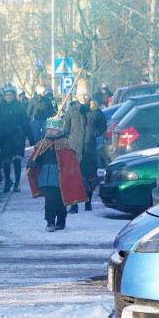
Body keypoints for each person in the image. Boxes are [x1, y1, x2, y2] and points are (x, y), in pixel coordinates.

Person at [27, 117, 87, 231]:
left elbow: (71, 162)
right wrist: (32, 163)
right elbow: (37, 158)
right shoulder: (42, 144)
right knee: (49, 201)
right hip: (46, 179)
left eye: (53, 129)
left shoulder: (65, 145)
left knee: (61, 202)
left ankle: (61, 221)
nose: (50, 131)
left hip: (61, 180)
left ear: (60, 131)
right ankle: (50, 222)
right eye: (48, 129)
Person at [63, 79, 106, 213]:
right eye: (81, 95)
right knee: (74, 178)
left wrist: (94, 133)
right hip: (74, 150)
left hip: (89, 150)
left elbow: (103, 127)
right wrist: (66, 141)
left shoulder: (96, 111)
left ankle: (88, 202)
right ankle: (74, 205)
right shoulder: (71, 110)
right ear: (77, 96)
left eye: (86, 95)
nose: (83, 97)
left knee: (89, 177)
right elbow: (66, 128)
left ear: (90, 95)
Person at [0, 85, 31, 193]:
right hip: (5, 139)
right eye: (7, 95)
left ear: (14, 95)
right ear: (4, 96)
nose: (9, 97)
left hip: (17, 138)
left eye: (11, 95)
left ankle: (17, 183)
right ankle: (7, 182)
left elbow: (25, 123)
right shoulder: (0, 107)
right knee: (6, 163)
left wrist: (30, 138)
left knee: (16, 162)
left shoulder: (20, 106)